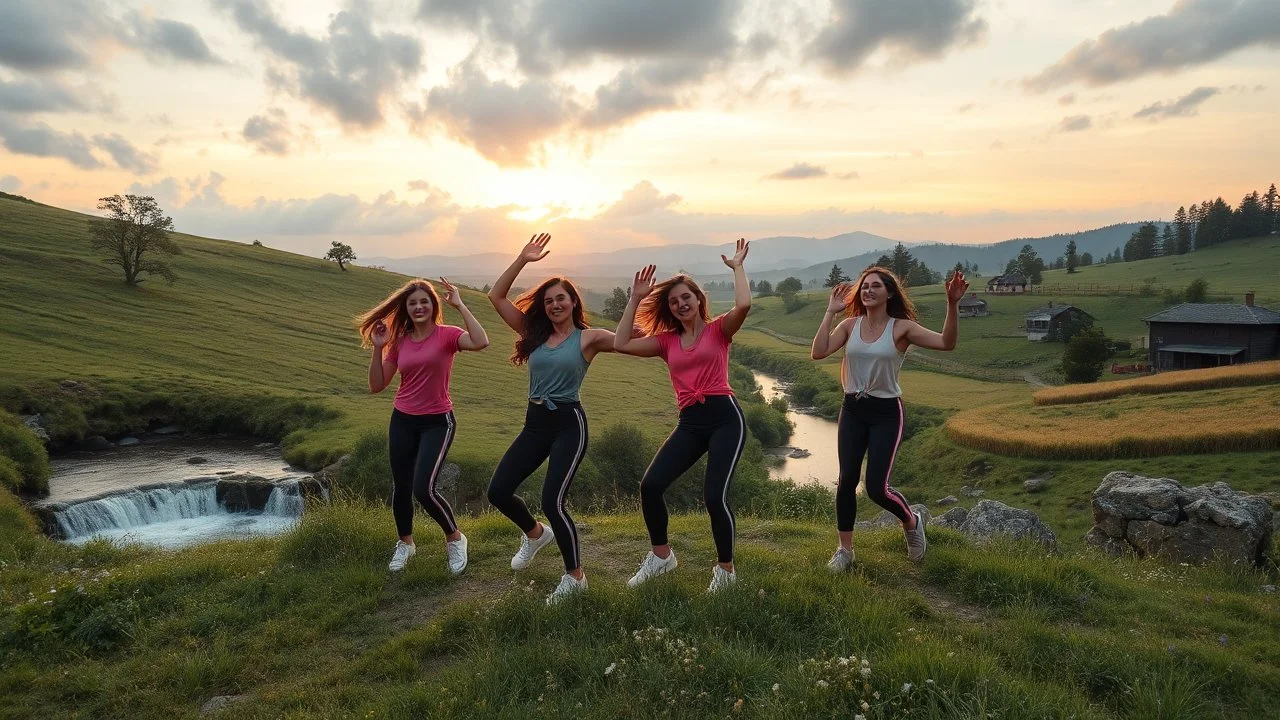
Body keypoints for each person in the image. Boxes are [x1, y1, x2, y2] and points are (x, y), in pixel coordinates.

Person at [486, 233, 618, 605]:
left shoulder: (589, 338)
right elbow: (496, 297)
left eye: (561, 298)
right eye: (549, 300)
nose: (555, 304)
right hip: (535, 422)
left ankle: (575, 577)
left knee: (552, 500)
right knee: (498, 491)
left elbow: (626, 341)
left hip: (567, 424)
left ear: (574, 301)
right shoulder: (533, 332)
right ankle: (534, 535)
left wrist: (636, 318)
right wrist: (522, 259)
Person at [613, 238, 751, 593]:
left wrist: (737, 268)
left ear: (698, 299)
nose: (680, 304)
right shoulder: (666, 343)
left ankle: (726, 572)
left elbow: (745, 303)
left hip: (724, 418)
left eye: (685, 297)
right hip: (690, 422)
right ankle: (662, 557)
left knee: (713, 496)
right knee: (651, 485)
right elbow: (621, 343)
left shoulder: (719, 330)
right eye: (674, 301)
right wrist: (634, 299)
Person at [809, 266, 969, 570]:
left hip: (886, 413)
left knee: (876, 488)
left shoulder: (901, 328)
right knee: (846, 481)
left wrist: (952, 303)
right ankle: (845, 551)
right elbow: (818, 352)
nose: (867, 290)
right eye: (864, 286)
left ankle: (911, 522)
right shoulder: (849, 325)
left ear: (890, 293)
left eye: (875, 286)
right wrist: (830, 311)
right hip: (853, 409)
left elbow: (947, 343)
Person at [358, 278, 490, 574]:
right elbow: (377, 385)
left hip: (437, 422)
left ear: (433, 306)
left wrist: (460, 304)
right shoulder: (399, 340)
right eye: (413, 303)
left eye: (424, 302)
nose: (418, 307)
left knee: (423, 489)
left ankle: (455, 538)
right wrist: (378, 348)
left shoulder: (447, 335)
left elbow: (481, 341)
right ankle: (406, 543)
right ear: (406, 308)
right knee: (401, 487)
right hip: (402, 420)